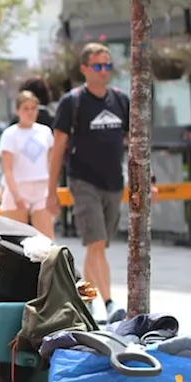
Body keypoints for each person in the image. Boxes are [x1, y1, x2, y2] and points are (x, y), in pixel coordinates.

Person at [47, 43, 131, 320]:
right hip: (83, 181)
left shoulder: (120, 100)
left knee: (99, 247)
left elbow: (133, 143)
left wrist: (148, 180)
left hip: (114, 182)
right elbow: (58, 147)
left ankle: (86, 298)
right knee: (96, 244)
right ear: (84, 69)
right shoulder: (72, 102)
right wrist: (51, 191)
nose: (104, 71)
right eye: (98, 66)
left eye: (107, 65)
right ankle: (108, 304)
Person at [0, 90, 55, 238]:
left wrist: (52, 190)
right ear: (18, 111)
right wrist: (17, 197)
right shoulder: (10, 134)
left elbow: (50, 162)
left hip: (41, 187)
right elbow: (7, 169)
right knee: (16, 239)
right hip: (18, 188)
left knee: (46, 240)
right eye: (25, 108)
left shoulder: (45, 132)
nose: (30, 112)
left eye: (33, 108)